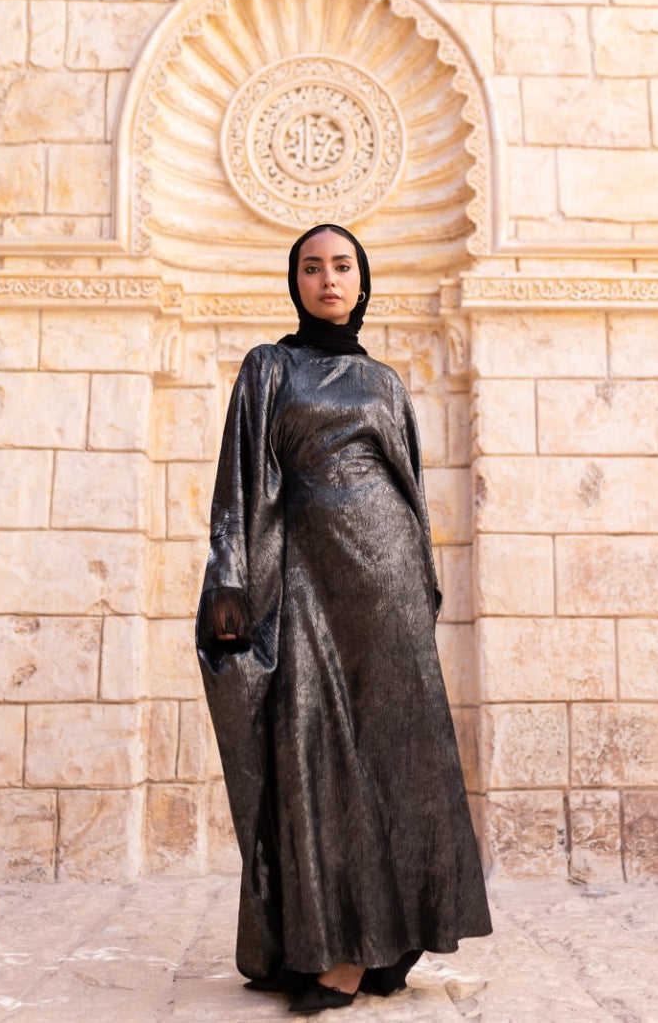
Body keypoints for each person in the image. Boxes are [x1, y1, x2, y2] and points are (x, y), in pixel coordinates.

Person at [195, 224, 492, 1015]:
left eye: (342, 266)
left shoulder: (385, 381)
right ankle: (325, 940)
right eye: (312, 267)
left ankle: (377, 947)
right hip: (307, 582)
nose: (328, 279)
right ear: (294, 281)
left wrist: (418, 585)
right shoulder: (270, 367)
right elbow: (241, 476)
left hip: (386, 590)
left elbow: (412, 492)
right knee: (312, 752)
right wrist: (229, 576)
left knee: (399, 761)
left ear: (363, 280)